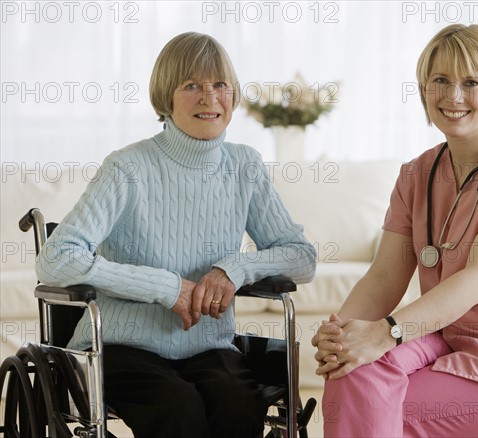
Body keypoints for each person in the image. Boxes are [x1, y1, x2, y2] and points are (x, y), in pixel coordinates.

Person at [36, 32, 316, 438]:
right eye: (192, 86)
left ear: (234, 95)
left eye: (220, 84)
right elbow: (56, 257)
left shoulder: (244, 166)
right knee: (179, 410)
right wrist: (166, 288)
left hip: (209, 347)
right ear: (166, 98)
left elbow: (302, 256)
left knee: (239, 405)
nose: (210, 97)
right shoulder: (127, 168)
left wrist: (234, 268)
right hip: (121, 347)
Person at [312, 23, 478, 437]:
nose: (453, 96)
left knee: (372, 409)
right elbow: (383, 276)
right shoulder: (416, 173)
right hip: (448, 341)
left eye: (470, 82)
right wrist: (340, 336)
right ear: (423, 90)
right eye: (440, 81)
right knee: (350, 370)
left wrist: (388, 331)